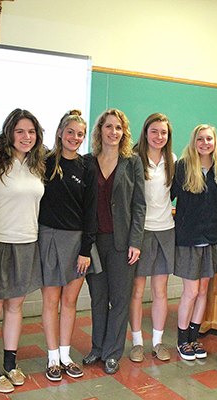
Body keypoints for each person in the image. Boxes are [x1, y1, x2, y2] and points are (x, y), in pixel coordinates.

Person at [0, 108, 46, 390]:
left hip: (27, 242)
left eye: (31, 132)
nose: (26, 137)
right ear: (9, 134)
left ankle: (10, 363)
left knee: (16, 306)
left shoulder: (36, 165)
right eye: (20, 131)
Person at [82, 109, 146, 374]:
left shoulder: (132, 163)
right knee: (98, 297)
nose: (113, 132)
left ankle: (112, 352)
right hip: (94, 244)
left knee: (120, 299)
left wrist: (136, 241)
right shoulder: (87, 162)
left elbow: (139, 205)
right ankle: (97, 347)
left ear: (124, 132)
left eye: (118, 127)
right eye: (108, 127)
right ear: (100, 131)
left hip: (122, 244)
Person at [38, 110, 97, 381]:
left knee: (69, 301)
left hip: (77, 244)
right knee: (51, 301)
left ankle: (65, 355)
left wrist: (86, 249)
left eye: (80, 134)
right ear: (60, 132)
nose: (75, 138)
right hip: (48, 238)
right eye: (70, 132)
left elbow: (91, 212)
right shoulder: (43, 162)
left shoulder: (87, 167)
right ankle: (52, 358)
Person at [171, 124, 217, 361]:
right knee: (191, 291)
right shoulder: (183, 166)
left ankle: (194, 338)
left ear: (215, 142)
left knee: (203, 290)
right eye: (200, 139)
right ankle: (182, 339)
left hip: (212, 238)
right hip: (189, 238)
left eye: (209, 139)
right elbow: (169, 195)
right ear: (193, 142)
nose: (205, 143)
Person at [128, 113, 176, 363]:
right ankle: (137, 343)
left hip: (166, 231)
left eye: (164, 132)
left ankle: (157, 342)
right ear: (146, 132)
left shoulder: (173, 160)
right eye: (154, 131)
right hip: (140, 232)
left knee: (160, 290)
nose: (159, 136)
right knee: (136, 290)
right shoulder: (134, 159)